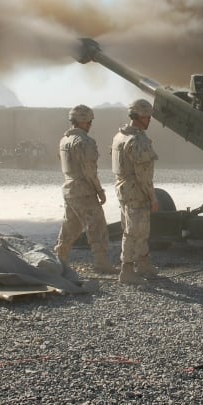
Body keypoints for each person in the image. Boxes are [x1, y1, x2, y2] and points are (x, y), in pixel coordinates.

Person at [54, 105, 117, 274]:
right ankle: (101, 262)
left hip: (69, 189)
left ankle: (59, 258)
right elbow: (89, 170)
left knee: (71, 226)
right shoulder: (84, 142)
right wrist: (99, 190)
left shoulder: (64, 140)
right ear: (83, 121)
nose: (90, 125)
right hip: (84, 191)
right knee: (97, 226)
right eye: (89, 122)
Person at [111, 98, 159, 284]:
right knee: (134, 231)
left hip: (123, 189)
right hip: (136, 191)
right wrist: (153, 197)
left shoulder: (119, 136)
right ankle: (127, 270)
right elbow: (143, 174)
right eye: (146, 117)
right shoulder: (137, 140)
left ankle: (144, 263)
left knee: (138, 228)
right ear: (138, 117)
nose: (149, 120)